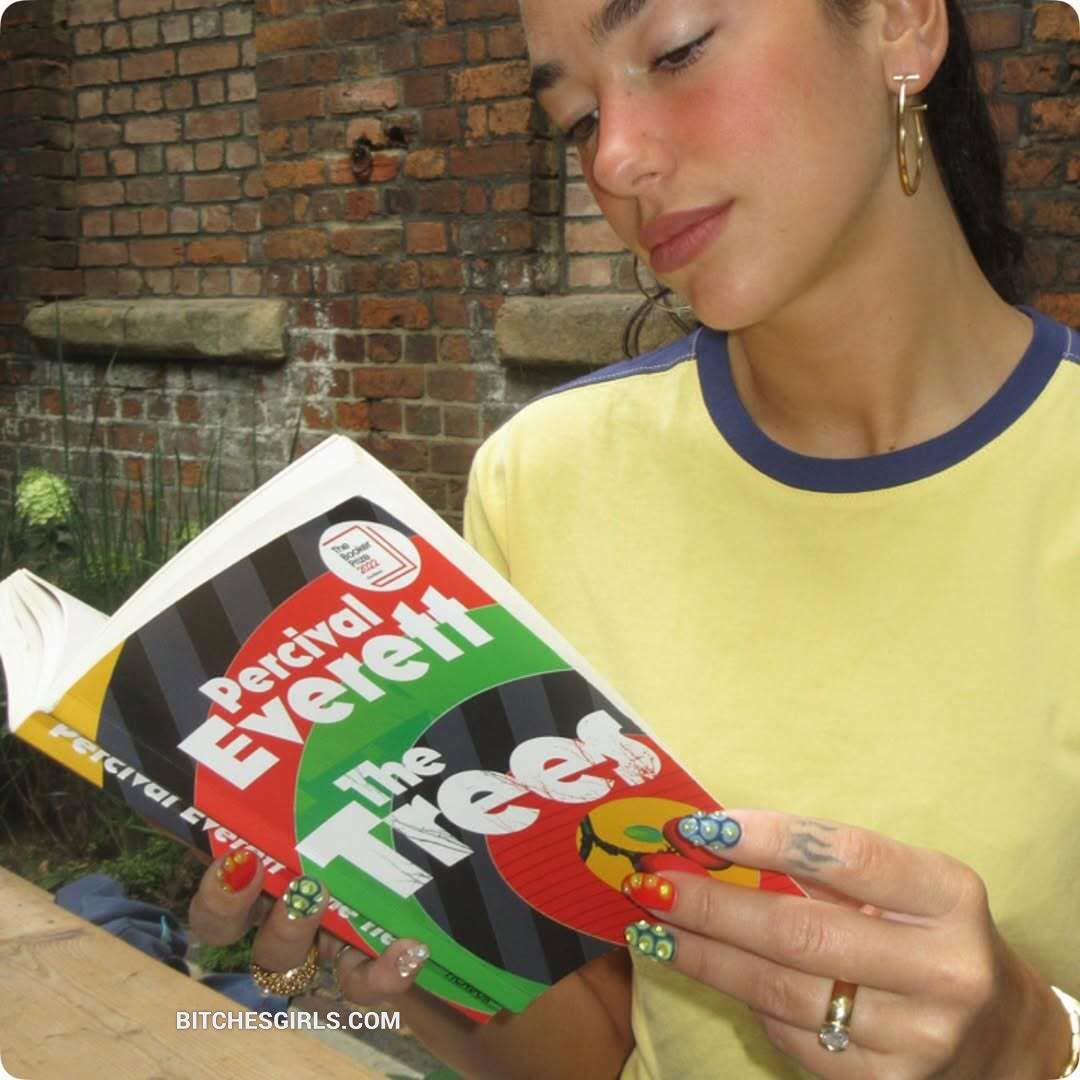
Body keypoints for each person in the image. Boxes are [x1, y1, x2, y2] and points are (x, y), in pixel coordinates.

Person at [190, 0, 1080, 1075]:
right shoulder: (543, 482)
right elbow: (596, 1047)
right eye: (576, 120)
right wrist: (407, 960)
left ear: (899, 22)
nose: (613, 161)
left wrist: (1038, 1045)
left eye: (677, 51)